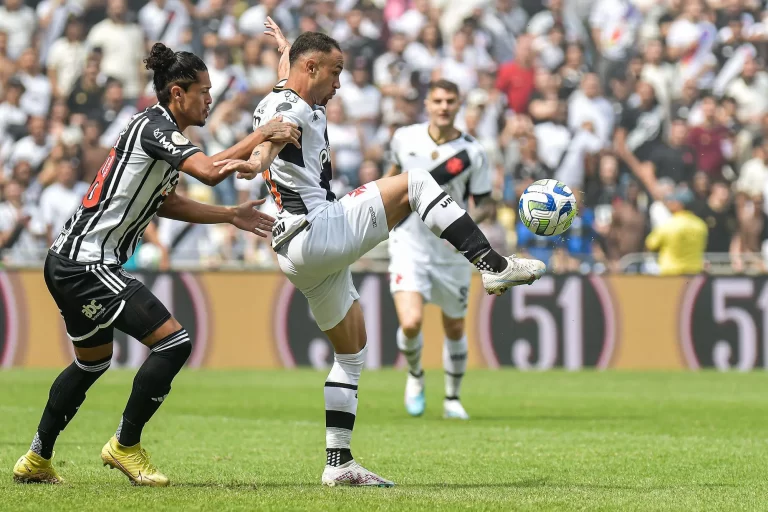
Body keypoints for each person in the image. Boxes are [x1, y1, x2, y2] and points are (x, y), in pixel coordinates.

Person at [218, 18, 545, 487]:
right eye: (335, 71)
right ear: (312, 68)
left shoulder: (283, 92)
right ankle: (492, 265)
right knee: (415, 182)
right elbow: (276, 136)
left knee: (351, 355)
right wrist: (255, 159)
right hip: (317, 228)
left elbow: (288, 85)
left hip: (293, 250)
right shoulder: (294, 110)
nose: (339, 82)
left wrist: (286, 48)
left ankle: (339, 464)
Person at [13, 42, 299, 486]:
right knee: (174, 343)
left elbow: (165, 202)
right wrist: (263, 133)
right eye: (204, 91)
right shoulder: (155, 125)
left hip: (69, 260)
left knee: (92, 363)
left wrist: (229, 214)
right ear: (177, 93)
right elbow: (208, 171)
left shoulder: (159, 132)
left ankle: (36, 458)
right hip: (87, 263)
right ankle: (125, 445)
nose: (210, 99)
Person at [383, 79, 493, 420]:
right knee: (412, 322)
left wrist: (462, 227)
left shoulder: (473, 152)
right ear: (427, 105)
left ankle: (452, 398)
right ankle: (415, 375)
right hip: (410, 244)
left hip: (451, 254)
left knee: (455, 328)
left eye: (450, 101)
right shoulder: (404, 138)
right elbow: (389, 181)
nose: (444, 107)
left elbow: (486, 203)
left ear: (459, 105)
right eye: (438, 101)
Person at [645, 187, 708, 276]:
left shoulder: (669, 224)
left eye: (673, 201)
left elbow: (650, 244)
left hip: (670, 274)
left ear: (679, 205)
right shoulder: (701, 225)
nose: (670, 203)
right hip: (694, 273)